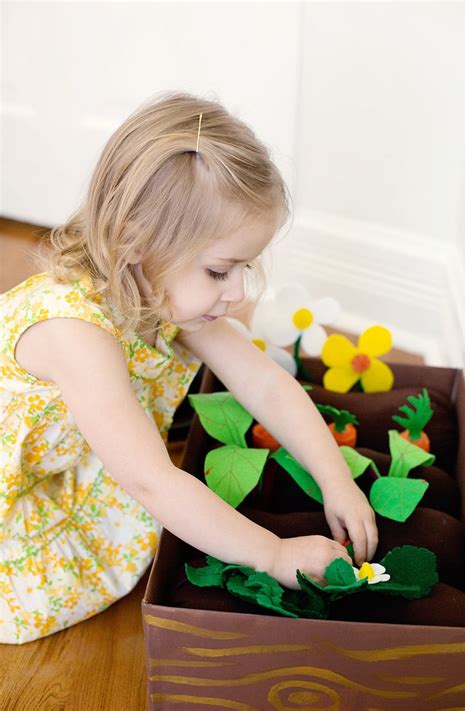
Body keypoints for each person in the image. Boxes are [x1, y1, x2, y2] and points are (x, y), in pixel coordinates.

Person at [0, 90, 377, 644]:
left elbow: (265, 384)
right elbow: (151, 481)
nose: (239, 291)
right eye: (221, 271)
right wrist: (271, 554)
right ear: (136, 243)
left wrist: (335, 479)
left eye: (245, 267)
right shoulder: (75, 333)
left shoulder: (158, 288)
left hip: (63, 460)